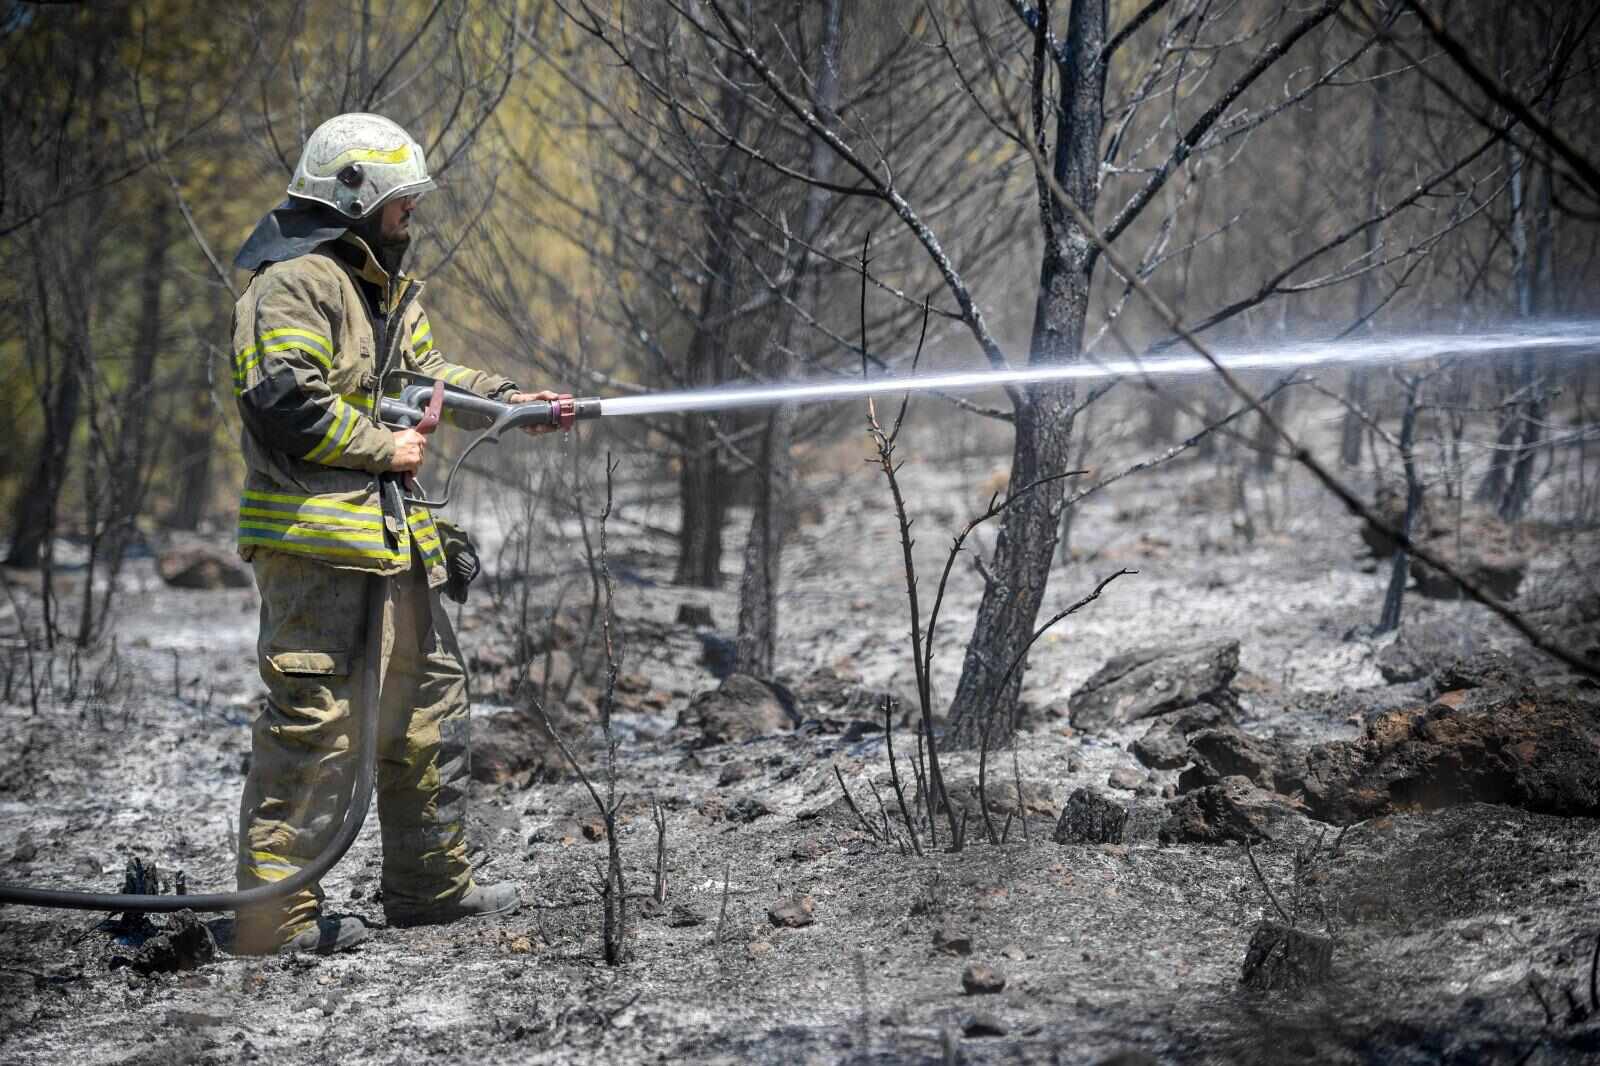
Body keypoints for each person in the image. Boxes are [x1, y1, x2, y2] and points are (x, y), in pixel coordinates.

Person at [229, 113, 552, 954]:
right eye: (402, 201)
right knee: (315, 731)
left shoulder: (382, 287)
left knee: (430, 716)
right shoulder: (291, 283)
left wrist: (511, 401)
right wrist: (387, 445)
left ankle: (429, 891)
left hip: (395, 543)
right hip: (315, 550)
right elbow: (283, 401)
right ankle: (276, 919)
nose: (412, 215)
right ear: (356, 196)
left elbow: (422, 378)